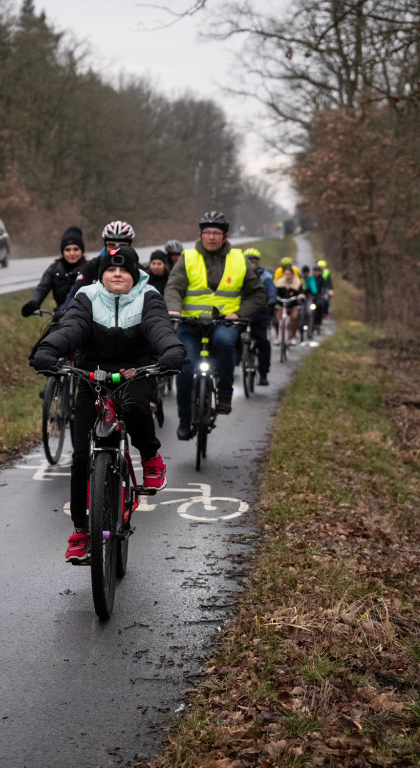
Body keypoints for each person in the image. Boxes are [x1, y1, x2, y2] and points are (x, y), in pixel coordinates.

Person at [30, 246, 185, 562]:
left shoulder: (149, 296)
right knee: (79, 456)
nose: (117, 274)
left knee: (138, 408)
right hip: (92, 374)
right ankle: (81, 532)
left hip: (135, 370)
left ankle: (151, 456)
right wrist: (48, 350)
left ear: (134, 275)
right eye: (111, 270)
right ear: (101, 275)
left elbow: (158, 327)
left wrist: (171, 351)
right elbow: (71, 327)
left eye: (125, 270)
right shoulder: (87, 297)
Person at [164, 211, 268, 437]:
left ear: (225, 236)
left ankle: (224, 396)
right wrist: (173, 308)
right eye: (207, 232)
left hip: (224, 323)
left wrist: (239, 313)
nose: (211, 237)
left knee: (224, 343)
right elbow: (173, 287)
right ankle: (184, 419)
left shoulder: (239, 259)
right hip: (189, 324)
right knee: (185, 365)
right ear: (200, 234)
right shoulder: (188, 257)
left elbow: (258, 294)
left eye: (216, 233)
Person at [57, 220, 140, 313]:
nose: (116, 249)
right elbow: (74, 293)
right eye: (111, 245)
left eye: (122, 245)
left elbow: (151, 298)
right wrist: (64, 311)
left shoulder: (138, 268)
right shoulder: (91, 266)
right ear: (105, 245)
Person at [21, 226, 86, 317]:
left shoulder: (89, 268)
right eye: (67, 250)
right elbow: (42, 287)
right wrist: (33, 303)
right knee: (50, 331)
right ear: (62, 251)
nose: (72, 253)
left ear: (81, 251)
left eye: (76, 249)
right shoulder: (54, 269)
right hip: (59, 316)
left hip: (83, 316)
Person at [244, 249, 275, 386]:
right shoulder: (237, 274)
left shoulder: (266, 276)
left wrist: (271, 301)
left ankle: (263, 374)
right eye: (248, 262)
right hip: (242, 313)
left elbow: (272, 291)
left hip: (261, 313)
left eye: (254, 262)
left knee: (264, 343)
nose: (251, 265)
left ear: (258, 263)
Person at [273, 256, 305, 343]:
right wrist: (272, 298)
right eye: (285, 274)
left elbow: (301, 291)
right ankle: (277, 336)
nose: (287, 276)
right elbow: (274, 291)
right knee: (276, 320)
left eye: (289, 274)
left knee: (294, 318)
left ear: (292, 274)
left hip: (293, 304)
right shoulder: (279, 282)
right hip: (281, 304)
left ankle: (293, 337)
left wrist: (301, 297)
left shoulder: (297, 282)